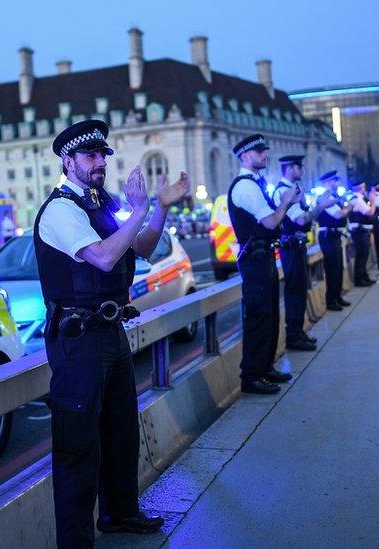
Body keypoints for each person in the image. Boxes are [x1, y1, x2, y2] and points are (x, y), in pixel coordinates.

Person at [34, 119, 188, 547]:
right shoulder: (60, 210)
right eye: (90, 156)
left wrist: (158, 207)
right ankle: (76, 542)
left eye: (103, 155)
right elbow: (102, 258)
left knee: (121, 432)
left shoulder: (102, 204)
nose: (99, 162)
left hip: (110, 330)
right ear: (68, 162)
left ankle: (120, 514)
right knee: (77, 447)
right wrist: (137, 210)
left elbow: (141, 247)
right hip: (78, 340)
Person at [226, 134, 300, 395]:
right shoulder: (245, 186)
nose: (264, 155)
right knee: (258, 316)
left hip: (264, 256)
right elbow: (270, 222)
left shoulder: (256, 183)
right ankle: (252, 375)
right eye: (259, 152)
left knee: (269, 315)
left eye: (264, 151)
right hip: (255, 259)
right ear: (245, 156)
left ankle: (265, 368)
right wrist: (286, 202)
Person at [271, 155, 336, 351]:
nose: (302, 169)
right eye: (299, 166)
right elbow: (300, 220)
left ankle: (298, 332)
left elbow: (305, 218)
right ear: (290, 168)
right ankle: (293, 337)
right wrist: (320, 207)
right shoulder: (283, 192)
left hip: (298, 246)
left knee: (299, 291)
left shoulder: (295, 191)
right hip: (290, 248)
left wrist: (313, 205)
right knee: (293, 292)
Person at [314, 171, 353, 311]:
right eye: (335, 181)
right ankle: (331, 301)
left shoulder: (335, 197)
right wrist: (349, 207)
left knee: (338, 268)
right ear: (329, 182)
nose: (337, 183)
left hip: (335, 236)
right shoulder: (326, 198)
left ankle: (337, 297)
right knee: (332, 269)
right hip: (328, 236)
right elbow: (338, 215)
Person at [347, 182, 377, 287]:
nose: (365, 188)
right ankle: (360, 279)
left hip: (363, 231)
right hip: (360, 232)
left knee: (364, 256)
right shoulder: (357, 199)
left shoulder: (359, 198)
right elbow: (370, 212)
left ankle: (364, 277)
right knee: (361, 256)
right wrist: (373, 201)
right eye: (364, 186)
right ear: (360, 188)